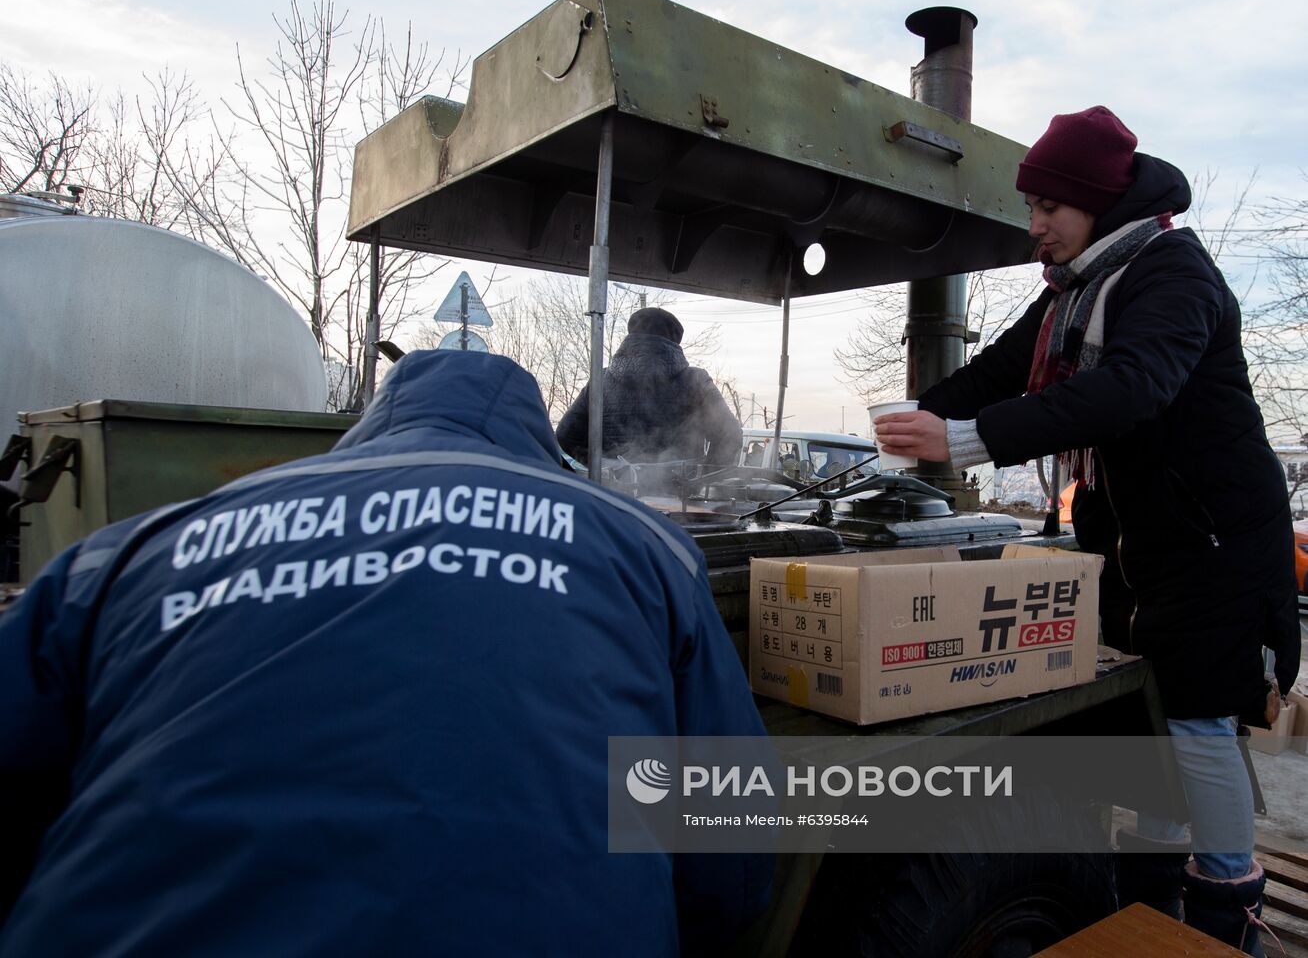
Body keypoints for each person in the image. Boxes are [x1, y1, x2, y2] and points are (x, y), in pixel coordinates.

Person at [0, 350, 770, 957]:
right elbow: (732, 843)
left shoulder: (128, 554)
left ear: (370, 424)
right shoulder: (646, 547)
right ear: (529, 439)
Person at [873, 106, 1299, 955]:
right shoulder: (1076, 290)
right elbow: (999, 369)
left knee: (1195, 716)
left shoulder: (1173, 274)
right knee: (1145, 710)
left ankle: (1227, 909)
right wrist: (919, 414)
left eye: (1048, 209)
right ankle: (1149, 894)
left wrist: (965, 440)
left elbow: (1132, 389)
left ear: (1098, 204)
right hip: (1141, 543)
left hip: (1215, 543)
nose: (1034, 226)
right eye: (1029, 207)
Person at [556, 307, 743, 467]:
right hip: (681, 501)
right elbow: (730, 435)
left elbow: (565, 435)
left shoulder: (601, 380)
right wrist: (700, 481)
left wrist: (605, 468)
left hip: (614, 496)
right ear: (675, 341)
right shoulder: (695, 380)